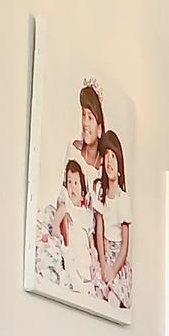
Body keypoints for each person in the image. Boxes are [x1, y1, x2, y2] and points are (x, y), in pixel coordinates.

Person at [94, 129, 131, 308]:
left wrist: (113, 270)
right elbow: (99, 230)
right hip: (105, 251)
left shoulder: (123, 199)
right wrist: (103, 263)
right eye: (106, 155)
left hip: (117, 257)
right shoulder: (100, 192)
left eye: (113, 156)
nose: (109, 161)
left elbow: (125, 244)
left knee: (114, 300)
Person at [54, 159, 98, 295]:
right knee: (73, 267)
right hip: (72, 247)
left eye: (75, 183)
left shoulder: (87, 214)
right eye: (69, 182)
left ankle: (86, 285)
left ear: (83, 194)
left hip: (84, 251)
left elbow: (91, 239)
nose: (72, 187)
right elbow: (61, 207)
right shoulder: (68, 206)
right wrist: (57, 225)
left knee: (87, 269)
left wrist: (94, 253)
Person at [66, 83, 106, 199]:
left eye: (90, 117)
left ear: (99, 128)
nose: (85, 123)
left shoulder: (105, 167)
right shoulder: (74, 152)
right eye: (83, 115)